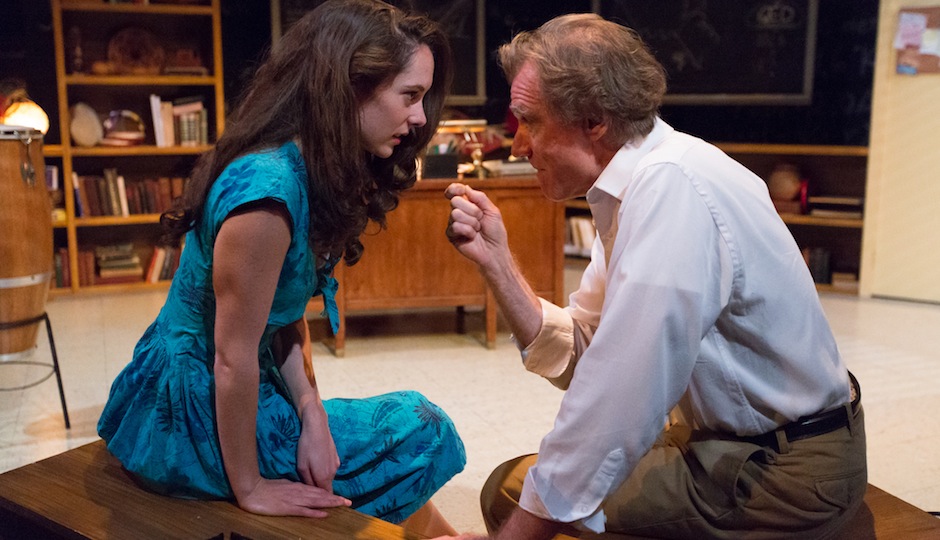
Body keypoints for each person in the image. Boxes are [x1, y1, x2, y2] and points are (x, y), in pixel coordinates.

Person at [439, 13, 866, 540]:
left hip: (785, 472)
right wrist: (498, 264)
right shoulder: (645, 180)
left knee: (515, 496)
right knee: (529, 489)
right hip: (736, 446)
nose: (517, 145)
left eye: (530, 121)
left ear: (594, 121)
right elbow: (585, 348)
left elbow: (619, 393)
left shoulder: (672, 188)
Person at [97, 1, 465, 536]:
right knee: (423, 428)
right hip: (191, 409)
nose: (420, 118)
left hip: (234, 382)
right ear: (348, 86)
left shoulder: (311, 168)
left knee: (370, 445)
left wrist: (312, 410)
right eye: (410, 96)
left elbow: (282, 315)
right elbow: (232, 358)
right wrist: (251, 488)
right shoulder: (266, 194)